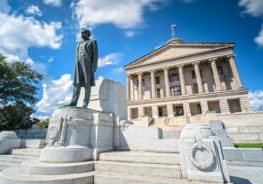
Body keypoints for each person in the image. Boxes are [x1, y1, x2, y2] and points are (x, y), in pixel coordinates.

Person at [69, 28, 98, 107]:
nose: (82, 34)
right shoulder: (78, 44)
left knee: (87, 83)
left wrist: (94, 66)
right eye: (81, 32)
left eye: (84, 32)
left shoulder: (92, 42)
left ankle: (85, 102)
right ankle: (73, 102)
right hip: (78, 64)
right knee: (76, 83)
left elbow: (95, 55)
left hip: (87, 64)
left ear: (88, 34)